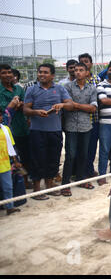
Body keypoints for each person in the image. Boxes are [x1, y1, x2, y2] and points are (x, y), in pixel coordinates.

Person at [23, 63, 73, 200]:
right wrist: (35, 112)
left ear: (52, 75)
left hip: (55, 131)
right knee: (37, 159)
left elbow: (70, 104)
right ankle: (37, 190)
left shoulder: (59, 89)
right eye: (40, 72)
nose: (42, 75)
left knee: (53, 159)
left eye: (45, 72)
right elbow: (25, 109)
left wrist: (61, 104)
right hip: (37, 131)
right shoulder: (31, 89)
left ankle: (50, 187)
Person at [61, 63, 98, 195]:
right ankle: (65, 184)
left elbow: (93, 108)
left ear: (87, 72)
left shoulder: (92, 88)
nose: (77, 72)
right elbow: (68, 106)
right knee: (70, 155)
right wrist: (83, 106)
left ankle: (81, 179)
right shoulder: (68, 87)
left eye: (81, 70)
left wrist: (75, 104)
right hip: (71, 127)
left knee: (84, 154)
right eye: (76, 70)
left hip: (86, 127)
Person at [0, 64, 31, 189]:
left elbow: (26, 104)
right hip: (7, 130)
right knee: (13, 158)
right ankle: (12, 186)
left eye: (9, 72)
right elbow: (3, 108)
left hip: (22, 127)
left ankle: (25, 181)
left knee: (25, 155)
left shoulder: (18, 89)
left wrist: (20, 105)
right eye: (4, 73)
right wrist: (13, 105)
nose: (7, 75)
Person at [0, 111, 22, 215]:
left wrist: (16, 161)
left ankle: (9, 207)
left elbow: (11, 146)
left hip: (5, 165)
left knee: (8, 187)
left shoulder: (6, 129)